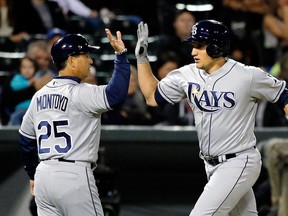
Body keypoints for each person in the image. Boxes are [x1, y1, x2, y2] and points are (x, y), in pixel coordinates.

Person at [134, 20, 288, 215]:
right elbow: (152, 97)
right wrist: (142, 59)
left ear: (216, 46)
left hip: (239, 161)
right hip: (211, 165)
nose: (193, 52)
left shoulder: (247, 76)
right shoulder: (186, 74)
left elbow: (283, 93)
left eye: (199, 46)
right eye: (193, 45)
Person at [18, 28, 130, 216]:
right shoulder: (81, 92)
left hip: (44, 175)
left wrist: (32, 173)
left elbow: (25, 138)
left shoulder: (39, 95)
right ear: (71, 61)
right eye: (85, 55)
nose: (90, 60)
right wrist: (120, 56)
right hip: (73, 175)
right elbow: (116, 95)